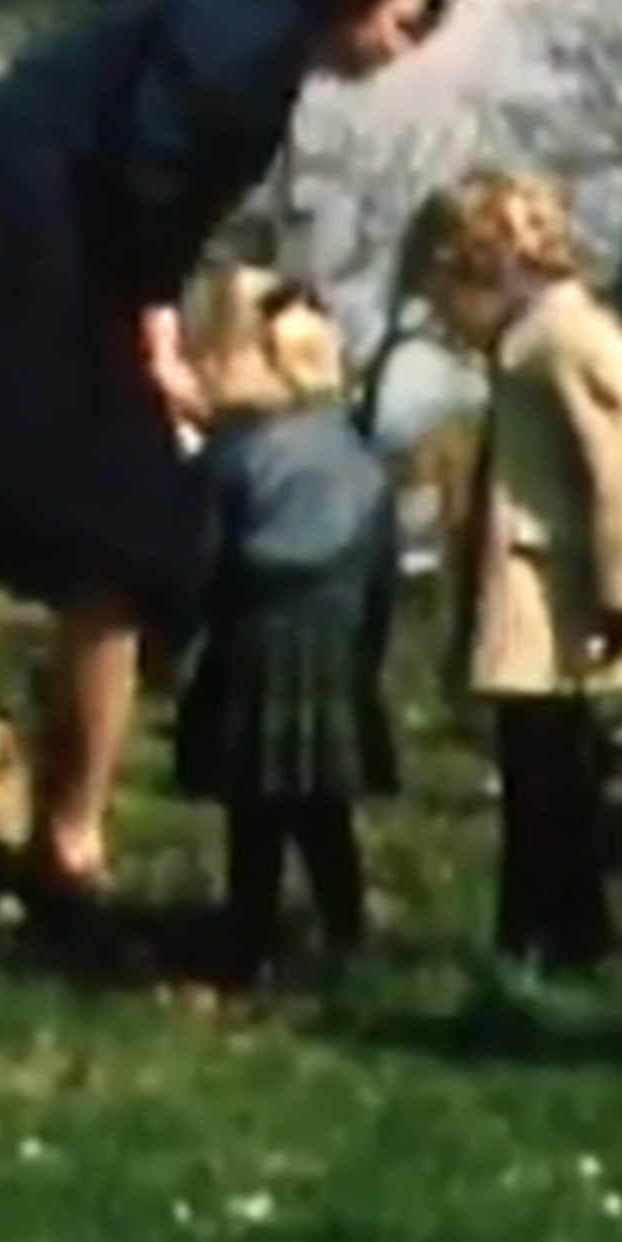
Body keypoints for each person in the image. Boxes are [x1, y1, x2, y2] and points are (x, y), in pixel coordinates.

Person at [0, 0, 454, 901]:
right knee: (124, 537)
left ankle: (4, 792)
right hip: (34, 268)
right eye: (402, 23)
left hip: (20, 259)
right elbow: (152, 166)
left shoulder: (230, 28)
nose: (398, 52)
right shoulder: (241, 49)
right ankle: (66, 836)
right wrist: (147, 313)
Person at [404, 168, 622, 978]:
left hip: (562, 605)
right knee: (539, 777)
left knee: (553, 782)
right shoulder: (534, 349)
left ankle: (558, 934)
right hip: (541, 598)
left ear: (483, 269)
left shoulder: (568, 346)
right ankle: (550, 929)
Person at [168, 264, 398, 993]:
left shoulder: (233, 456)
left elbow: (200, 560)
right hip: (335, 633)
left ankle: (248, 943)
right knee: (327, 809)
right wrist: (371, 649)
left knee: (255, 814)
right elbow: (383, 565)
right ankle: (347, 931)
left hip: (256, 631)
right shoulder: (362, 458)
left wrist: (178, 636)